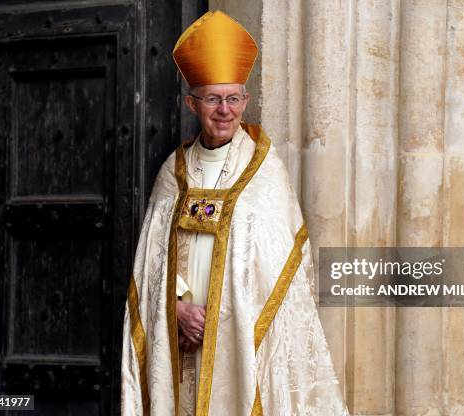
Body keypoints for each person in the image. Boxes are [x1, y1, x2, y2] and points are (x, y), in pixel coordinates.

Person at [121, 10, 349, 416]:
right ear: (193, 103)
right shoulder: (173, 173)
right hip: (180, 339)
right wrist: (175, 309)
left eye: (232, 98)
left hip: (239, 342)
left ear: (245, 101)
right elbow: (152, 262)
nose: (223, 110)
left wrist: (223, 317)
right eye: (212, 98)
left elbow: (282, 271)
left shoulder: (265, 173)